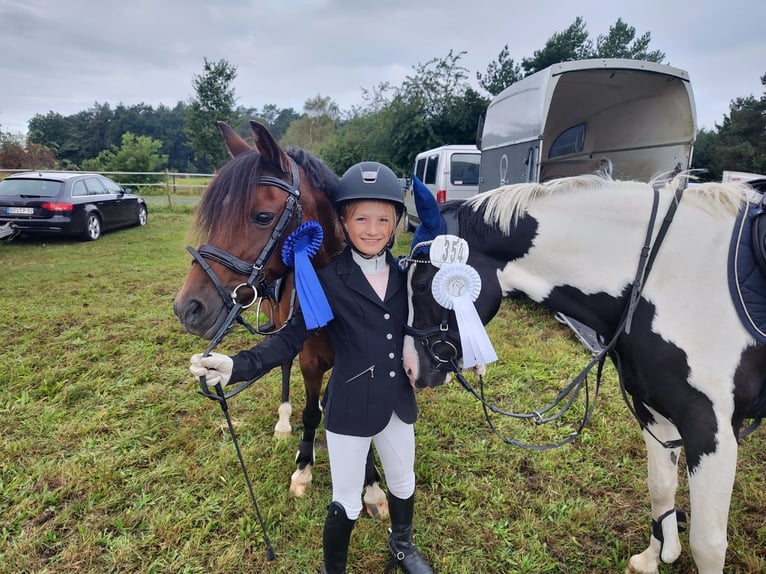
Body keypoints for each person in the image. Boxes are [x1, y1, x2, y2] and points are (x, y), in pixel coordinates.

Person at [190, 161, 434, 574]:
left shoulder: (405, 274)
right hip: (350, 406)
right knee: (346, 501)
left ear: (396, 224)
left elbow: (428, 324)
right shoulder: (326, 280)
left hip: (397, 403)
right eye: (361, 219)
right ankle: (332, 570)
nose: (372, 229)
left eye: (383, 220)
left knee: (404, 483)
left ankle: (402, 547)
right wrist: (237, 364)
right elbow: (290, 337)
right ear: (342, 220)